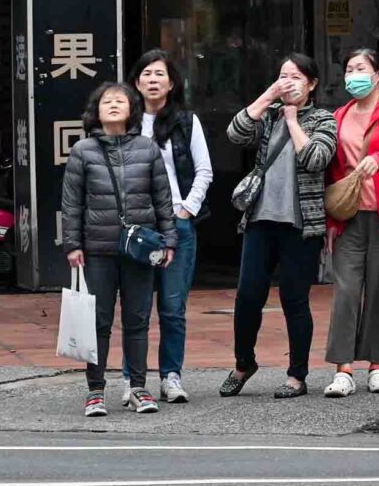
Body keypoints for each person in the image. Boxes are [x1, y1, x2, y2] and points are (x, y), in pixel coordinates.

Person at [219, 53, 335, 399]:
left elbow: (315, 158)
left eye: (296, 77)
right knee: (248, 296)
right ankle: (243, 363)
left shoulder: (324, 119)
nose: (289, 82)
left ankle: (297, 375)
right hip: (260, 220)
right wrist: (269, 97)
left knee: (294, 300)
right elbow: (235, 134)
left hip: (300, 226)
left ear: (311, 84)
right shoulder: (268, 115)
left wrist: (294, 120)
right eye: (283, 75)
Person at [60, 77, 173, 417]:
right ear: (95, 111)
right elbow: (71, 203)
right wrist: (72, 244)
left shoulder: (147, 148)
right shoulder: (83, 151)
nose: (113, 104)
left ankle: (138, 388)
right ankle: (95, 391)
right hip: (97, 250)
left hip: (138, 250)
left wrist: (169, 241)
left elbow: (163, 199)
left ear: (132, 110)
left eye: (120, 100)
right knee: (98, 322)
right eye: (106, 100)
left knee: (138, 320)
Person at [322, 48, 379, 397]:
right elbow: (333, 170)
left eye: (360, 68)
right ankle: (343, 369)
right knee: (346, 291)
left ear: (378, 75)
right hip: (350, 218)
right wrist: (332, 219)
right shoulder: (338, 116)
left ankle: (378, 366)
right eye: (348, 69)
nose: (353, 75)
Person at [135, 48, 213, 404]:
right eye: (147, 74)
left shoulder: (185, 121)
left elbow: (204, 170)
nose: (153, 80)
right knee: (136, 309)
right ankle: (132, 380)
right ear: (136, 82)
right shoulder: (126, 121)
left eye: (159, 75)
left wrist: (186, 211)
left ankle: (171, 376)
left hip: (176, 226)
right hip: (137, 228)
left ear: (171, 83)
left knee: (172, 307)